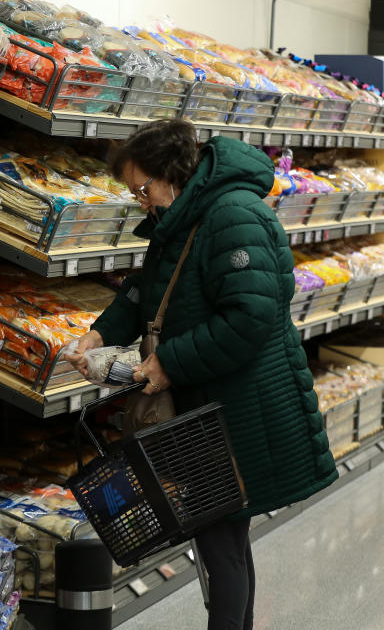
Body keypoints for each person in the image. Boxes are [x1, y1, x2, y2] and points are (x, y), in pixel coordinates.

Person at [66, 119, 338, 630]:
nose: (140, 201)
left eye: (142, 189)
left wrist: (170, 362)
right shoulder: (184, 215)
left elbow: (249, 316)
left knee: (221, 542)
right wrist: (99, 336)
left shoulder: (233, 214)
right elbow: (152, 286)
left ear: (172, 174)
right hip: (211, 407)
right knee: (224, 542)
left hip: (238, 409)